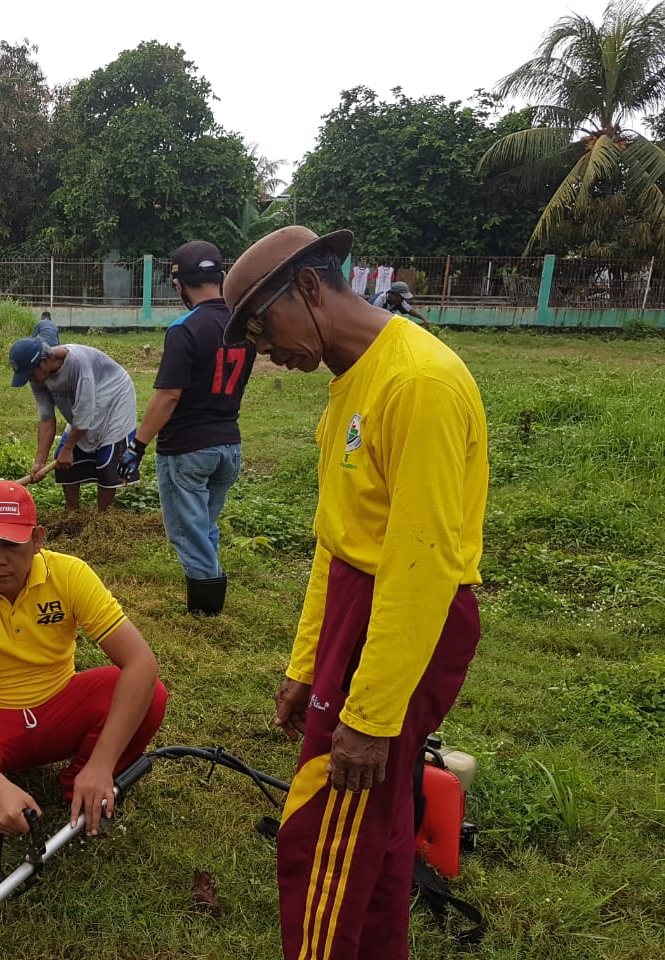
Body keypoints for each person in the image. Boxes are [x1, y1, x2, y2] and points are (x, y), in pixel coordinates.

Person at [221, 226, 488, 960]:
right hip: (357, 607)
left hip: (403, 616)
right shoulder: (352, 385)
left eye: (260, 326)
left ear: (309, 289)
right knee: (378, 823)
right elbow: (337, 542)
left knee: (324, 831)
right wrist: (305, 662)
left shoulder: (417, 383)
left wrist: (370, 716)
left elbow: (423, 564)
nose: (263, 350)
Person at [0, 479, 168, 846]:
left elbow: (141, 663)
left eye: (12, 545)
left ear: (37, 539)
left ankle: (81, 788)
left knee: (150, 695)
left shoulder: (69, 574)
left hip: (57, 702)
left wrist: (101, 764)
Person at [120, 240, 254, 616]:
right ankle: (210, 595)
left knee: (187, 531)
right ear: (221, 277)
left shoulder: (185, 329)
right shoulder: (241, 323)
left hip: (188, 450)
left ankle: (207, 610)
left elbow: (167, 397)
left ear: (179, 285)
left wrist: (138, 446)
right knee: (205, 524)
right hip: (229, 444)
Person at [9, 337, 139, 512]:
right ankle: (72, 513)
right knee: (63, 462)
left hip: (115, 399)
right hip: (83, 408)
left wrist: (69, 447)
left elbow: (84, 417)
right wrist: (39, 462)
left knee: (107, 462)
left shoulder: (78, 365)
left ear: (44, 361)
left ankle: (103, 517)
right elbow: (47, 418)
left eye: (30, 374)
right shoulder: (38, 377)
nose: (30, 380)